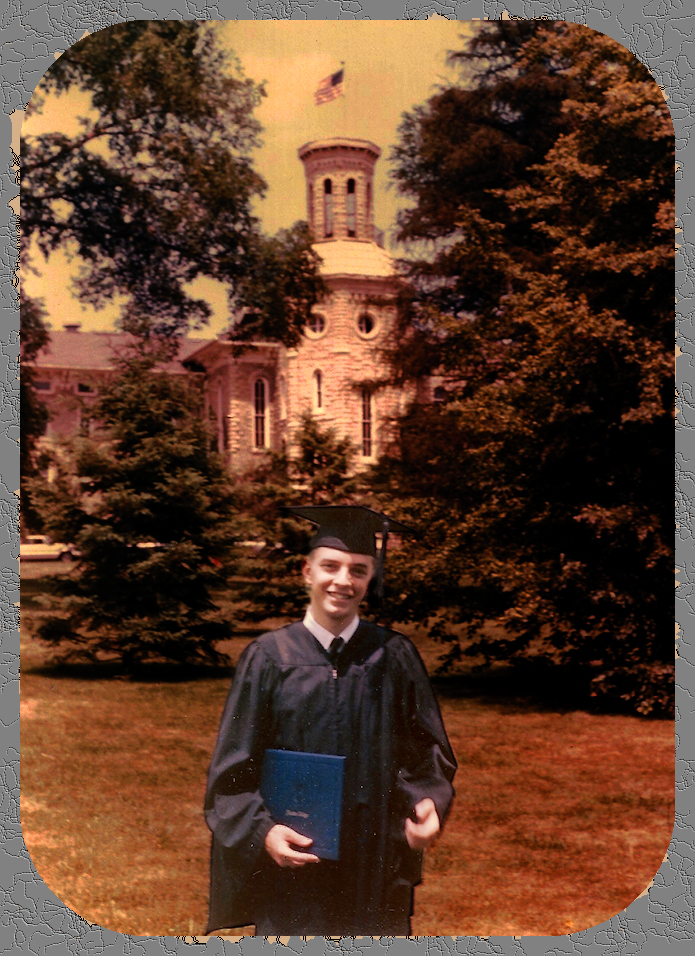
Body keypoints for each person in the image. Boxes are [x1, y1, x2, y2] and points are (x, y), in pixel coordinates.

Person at [204, 505, 457, 936]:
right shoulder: (268, 658)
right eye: (330, 566)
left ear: (370, 578)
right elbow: (231, 775)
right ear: (306, 571)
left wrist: (428, 802)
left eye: (358, 570)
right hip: (293, 874)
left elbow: (427, 753)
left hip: (375, 868)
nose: (343, 581)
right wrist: (263, 832)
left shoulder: (394, 656)